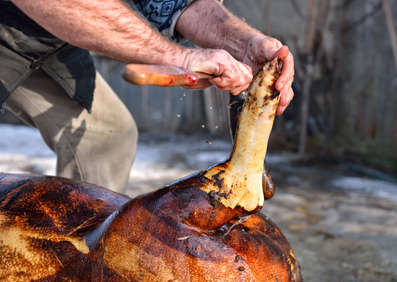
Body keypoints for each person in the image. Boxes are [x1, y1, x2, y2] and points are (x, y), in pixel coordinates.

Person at [0, 0, 294, 193]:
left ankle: (77, 265)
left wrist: (245, 44)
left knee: (106, 134)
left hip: (42, 36)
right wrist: (177, 56)